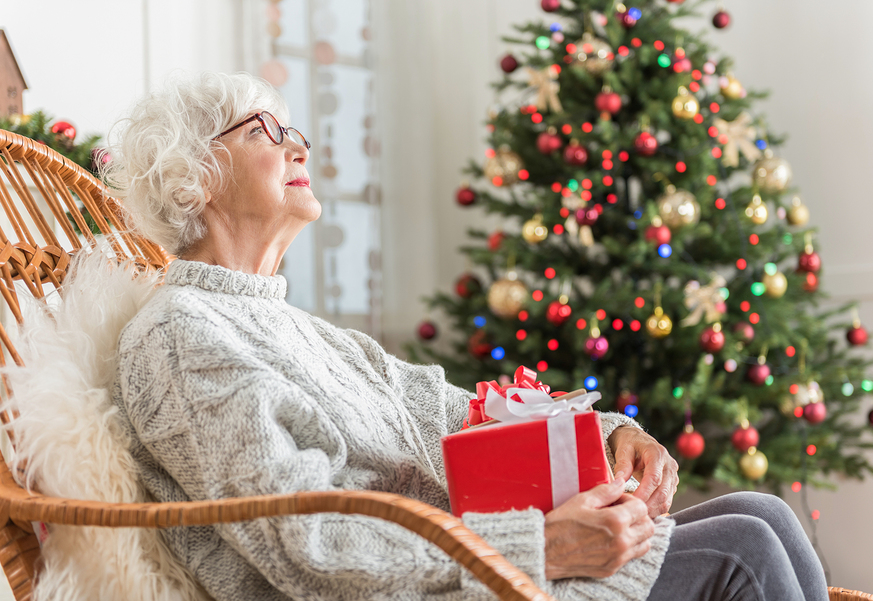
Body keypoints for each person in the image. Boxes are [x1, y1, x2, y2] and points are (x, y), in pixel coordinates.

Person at [105, 72, 829, 601]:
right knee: (744, 548)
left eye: (294, 131)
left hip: (473, 566)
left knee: (761, 509)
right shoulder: (178, 333)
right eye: (264, 130)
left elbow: (460, 414)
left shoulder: (306, 331)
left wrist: (608, 433)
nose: (297, 147)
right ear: (190, 178)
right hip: (442, 586)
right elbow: (305, 548)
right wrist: (538, 546)